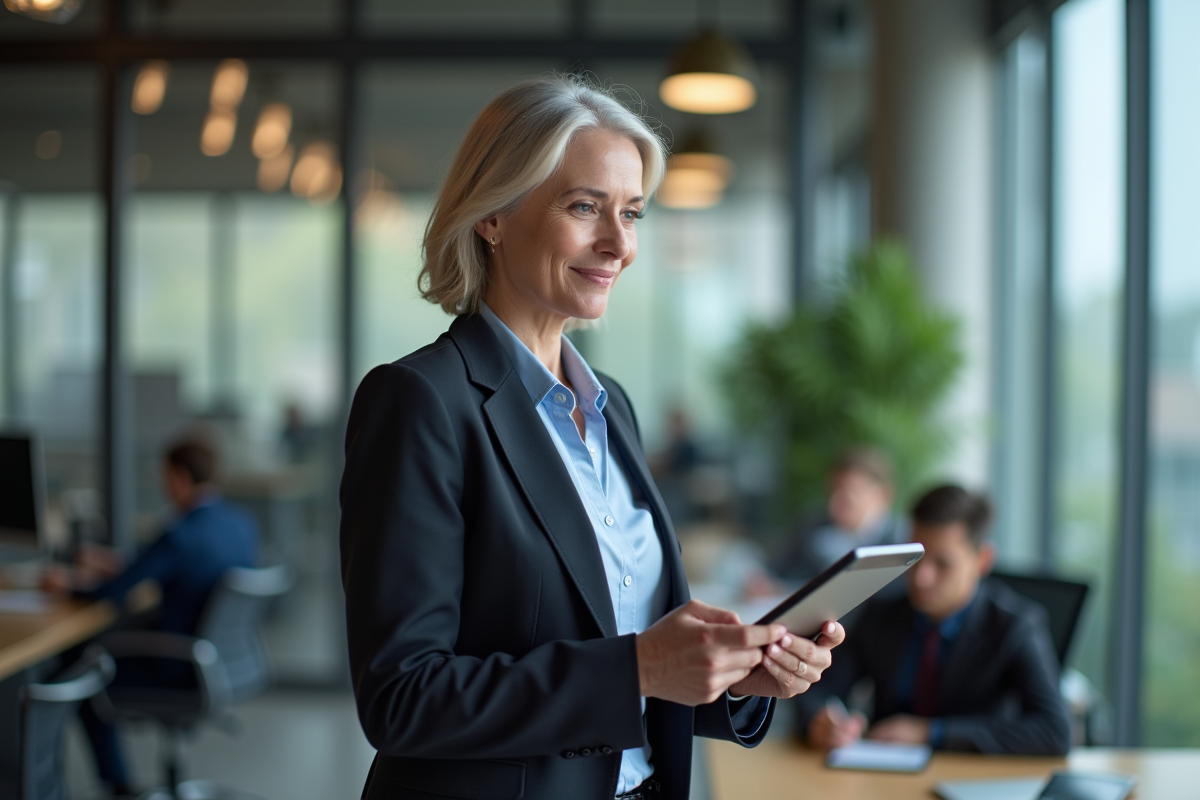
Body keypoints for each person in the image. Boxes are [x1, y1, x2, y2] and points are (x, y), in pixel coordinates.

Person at [339, 74, 846, 800]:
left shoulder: (615, 411)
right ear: (492, 216)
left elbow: (640, 659)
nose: (619, 245)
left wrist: (731, 677)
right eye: (585, 207)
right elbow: (401, 696)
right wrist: (638, 666)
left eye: (632, 214)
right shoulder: (422, 401)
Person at [43, 435, 260, 795]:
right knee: (88, 656)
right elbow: (162, 567)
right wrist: (115, 564)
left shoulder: (181, 533)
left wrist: (66, 583)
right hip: (221, 660)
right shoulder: (239, 523)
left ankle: (117, 785)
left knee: (78, 666)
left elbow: (112, 594)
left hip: (176, 664)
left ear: (178, 477)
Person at [795, 484, 1072, 755]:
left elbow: (1054, 731)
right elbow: (820, 686)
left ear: (983, 560)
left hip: (970, 780)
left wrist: (930, 733)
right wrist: (823, 719)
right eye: (917, 557)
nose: (922, 578)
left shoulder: (1015, 626)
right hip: (883, 779)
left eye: (943, 564)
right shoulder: (883, 612)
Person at [773, 447, 907, 583]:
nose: (837, 501)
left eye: (853, 492)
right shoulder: (811, 524)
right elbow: (776, 570)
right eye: (834, 490)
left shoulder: (903, 540)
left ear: (883, 495)